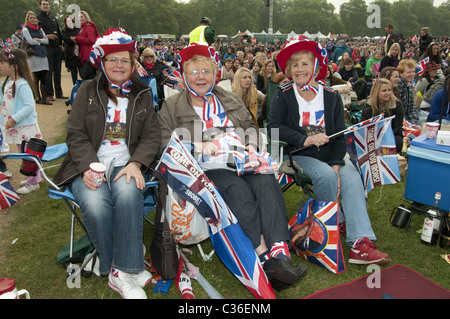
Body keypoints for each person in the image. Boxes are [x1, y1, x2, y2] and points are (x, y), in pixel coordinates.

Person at [158, 43, 307, 291]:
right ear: (184, 76)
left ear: (215, 74)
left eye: (205, 72)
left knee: (265, 179)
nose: (200, 78)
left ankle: (280, 255)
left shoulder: (229, 98)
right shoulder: (173, 106)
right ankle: (263, 256)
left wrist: (250, 146)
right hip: (206, 168)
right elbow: (163, 144)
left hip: (240, 159)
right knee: (238, 190)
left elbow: (250, 127)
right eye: (193, 72)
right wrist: (195, 145)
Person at [52, 29, 161, 299]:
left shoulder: (143, 92)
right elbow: (75, 134)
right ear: (102, 62)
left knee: (127, 193)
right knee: (97, 204)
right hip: (90, 163)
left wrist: (137, 163)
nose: (119, 65)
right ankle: (124, 268)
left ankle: (121, 270)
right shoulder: (87, 90)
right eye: (113, 60)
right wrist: (88, 166)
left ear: (133, 64)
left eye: (124, 60)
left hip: (128, 164)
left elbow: (152, 135)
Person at [268, 38, 391, 266]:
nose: (299, 69)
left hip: (329, 155)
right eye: (294, 65)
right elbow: (274, 127)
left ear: (316, 66)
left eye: (304, 64)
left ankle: (359, 242)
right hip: (297, 154)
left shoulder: (331, 95)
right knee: (325, 176)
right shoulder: (283, 93)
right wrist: (305, 138)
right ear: (289, 70)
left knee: (351, 175)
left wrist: (337, 164)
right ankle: (334, 226)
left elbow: (338, 133)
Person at [0, 48, 43, 194]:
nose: (0, 65)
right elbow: (4, 101)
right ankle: (36, 177)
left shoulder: (22, 84)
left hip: (25, 126)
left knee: (28, 155)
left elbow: (29, 106)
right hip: (17, 127)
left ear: (15, 65)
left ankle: (33, 182)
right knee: (24, 153)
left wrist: (14, 118)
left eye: (2, 63)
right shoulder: (7, 82)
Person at [360, 78, 404, 152]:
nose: (388, 93)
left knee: (398, 141)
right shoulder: (369, 104)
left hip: (390, 134)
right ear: (376, 92)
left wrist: (382, 136)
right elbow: (363, 123)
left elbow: (397, 128)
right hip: (371, 135)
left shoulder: (397, 104)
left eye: (389, 90)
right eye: (384, 91)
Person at [37, 0, 67, 101]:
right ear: (40, 6)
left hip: (57, 48)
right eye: (44, 4)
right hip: (47, 48)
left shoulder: (53, 17)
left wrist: (61, 44)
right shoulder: (38, 18)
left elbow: (59, 32)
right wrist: (46, 36)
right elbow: (37, 33)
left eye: (47, 4)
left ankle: (59, 93)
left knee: (58, 72)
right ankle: (50, 94)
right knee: (48, 72)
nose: (46, 6)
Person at [22, 11, 52, 105]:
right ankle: (37, 97)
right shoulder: (26, 30)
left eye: (34, 18)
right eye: (31, 18)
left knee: (44, 76)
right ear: (27, 20)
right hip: (33, 55)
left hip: (42, 54)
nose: (33, 20)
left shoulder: (40, 29)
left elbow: (47, 41)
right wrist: (41, 41)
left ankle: (44, 98)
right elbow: (30, 41)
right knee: (35, 77)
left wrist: (38, 40)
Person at [397, 59, 427, 125]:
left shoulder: (409, 84)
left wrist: (413, 119)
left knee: (429, 116)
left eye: (413, 72)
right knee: (431, 120)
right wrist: (412, 122)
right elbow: (401, 110)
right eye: (409, 72)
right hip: (403, 118)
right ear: (401, 73)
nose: (412, 74)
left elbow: (411, 106)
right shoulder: (399, 84)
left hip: (412, 113)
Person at [72, 10, 99, 80]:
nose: (80, 19)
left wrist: (77, 38)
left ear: (86, 17)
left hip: (88, 55)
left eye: (82, 17)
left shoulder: (89, 28)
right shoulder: (83, 28)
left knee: (87, 76)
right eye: (79, 17)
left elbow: (91, 40)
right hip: (85, 55)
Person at [61, 15, 82, 85]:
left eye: (70, 20)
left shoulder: (78, 29)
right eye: (67, 21)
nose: (69, 22)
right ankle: (75, 90)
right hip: (70, 54)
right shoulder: (64, 31)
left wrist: (74, 39)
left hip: (79, 53)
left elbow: (80, 39)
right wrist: (75, 39)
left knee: (82, 73)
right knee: (74, 75)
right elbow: (67, 40)